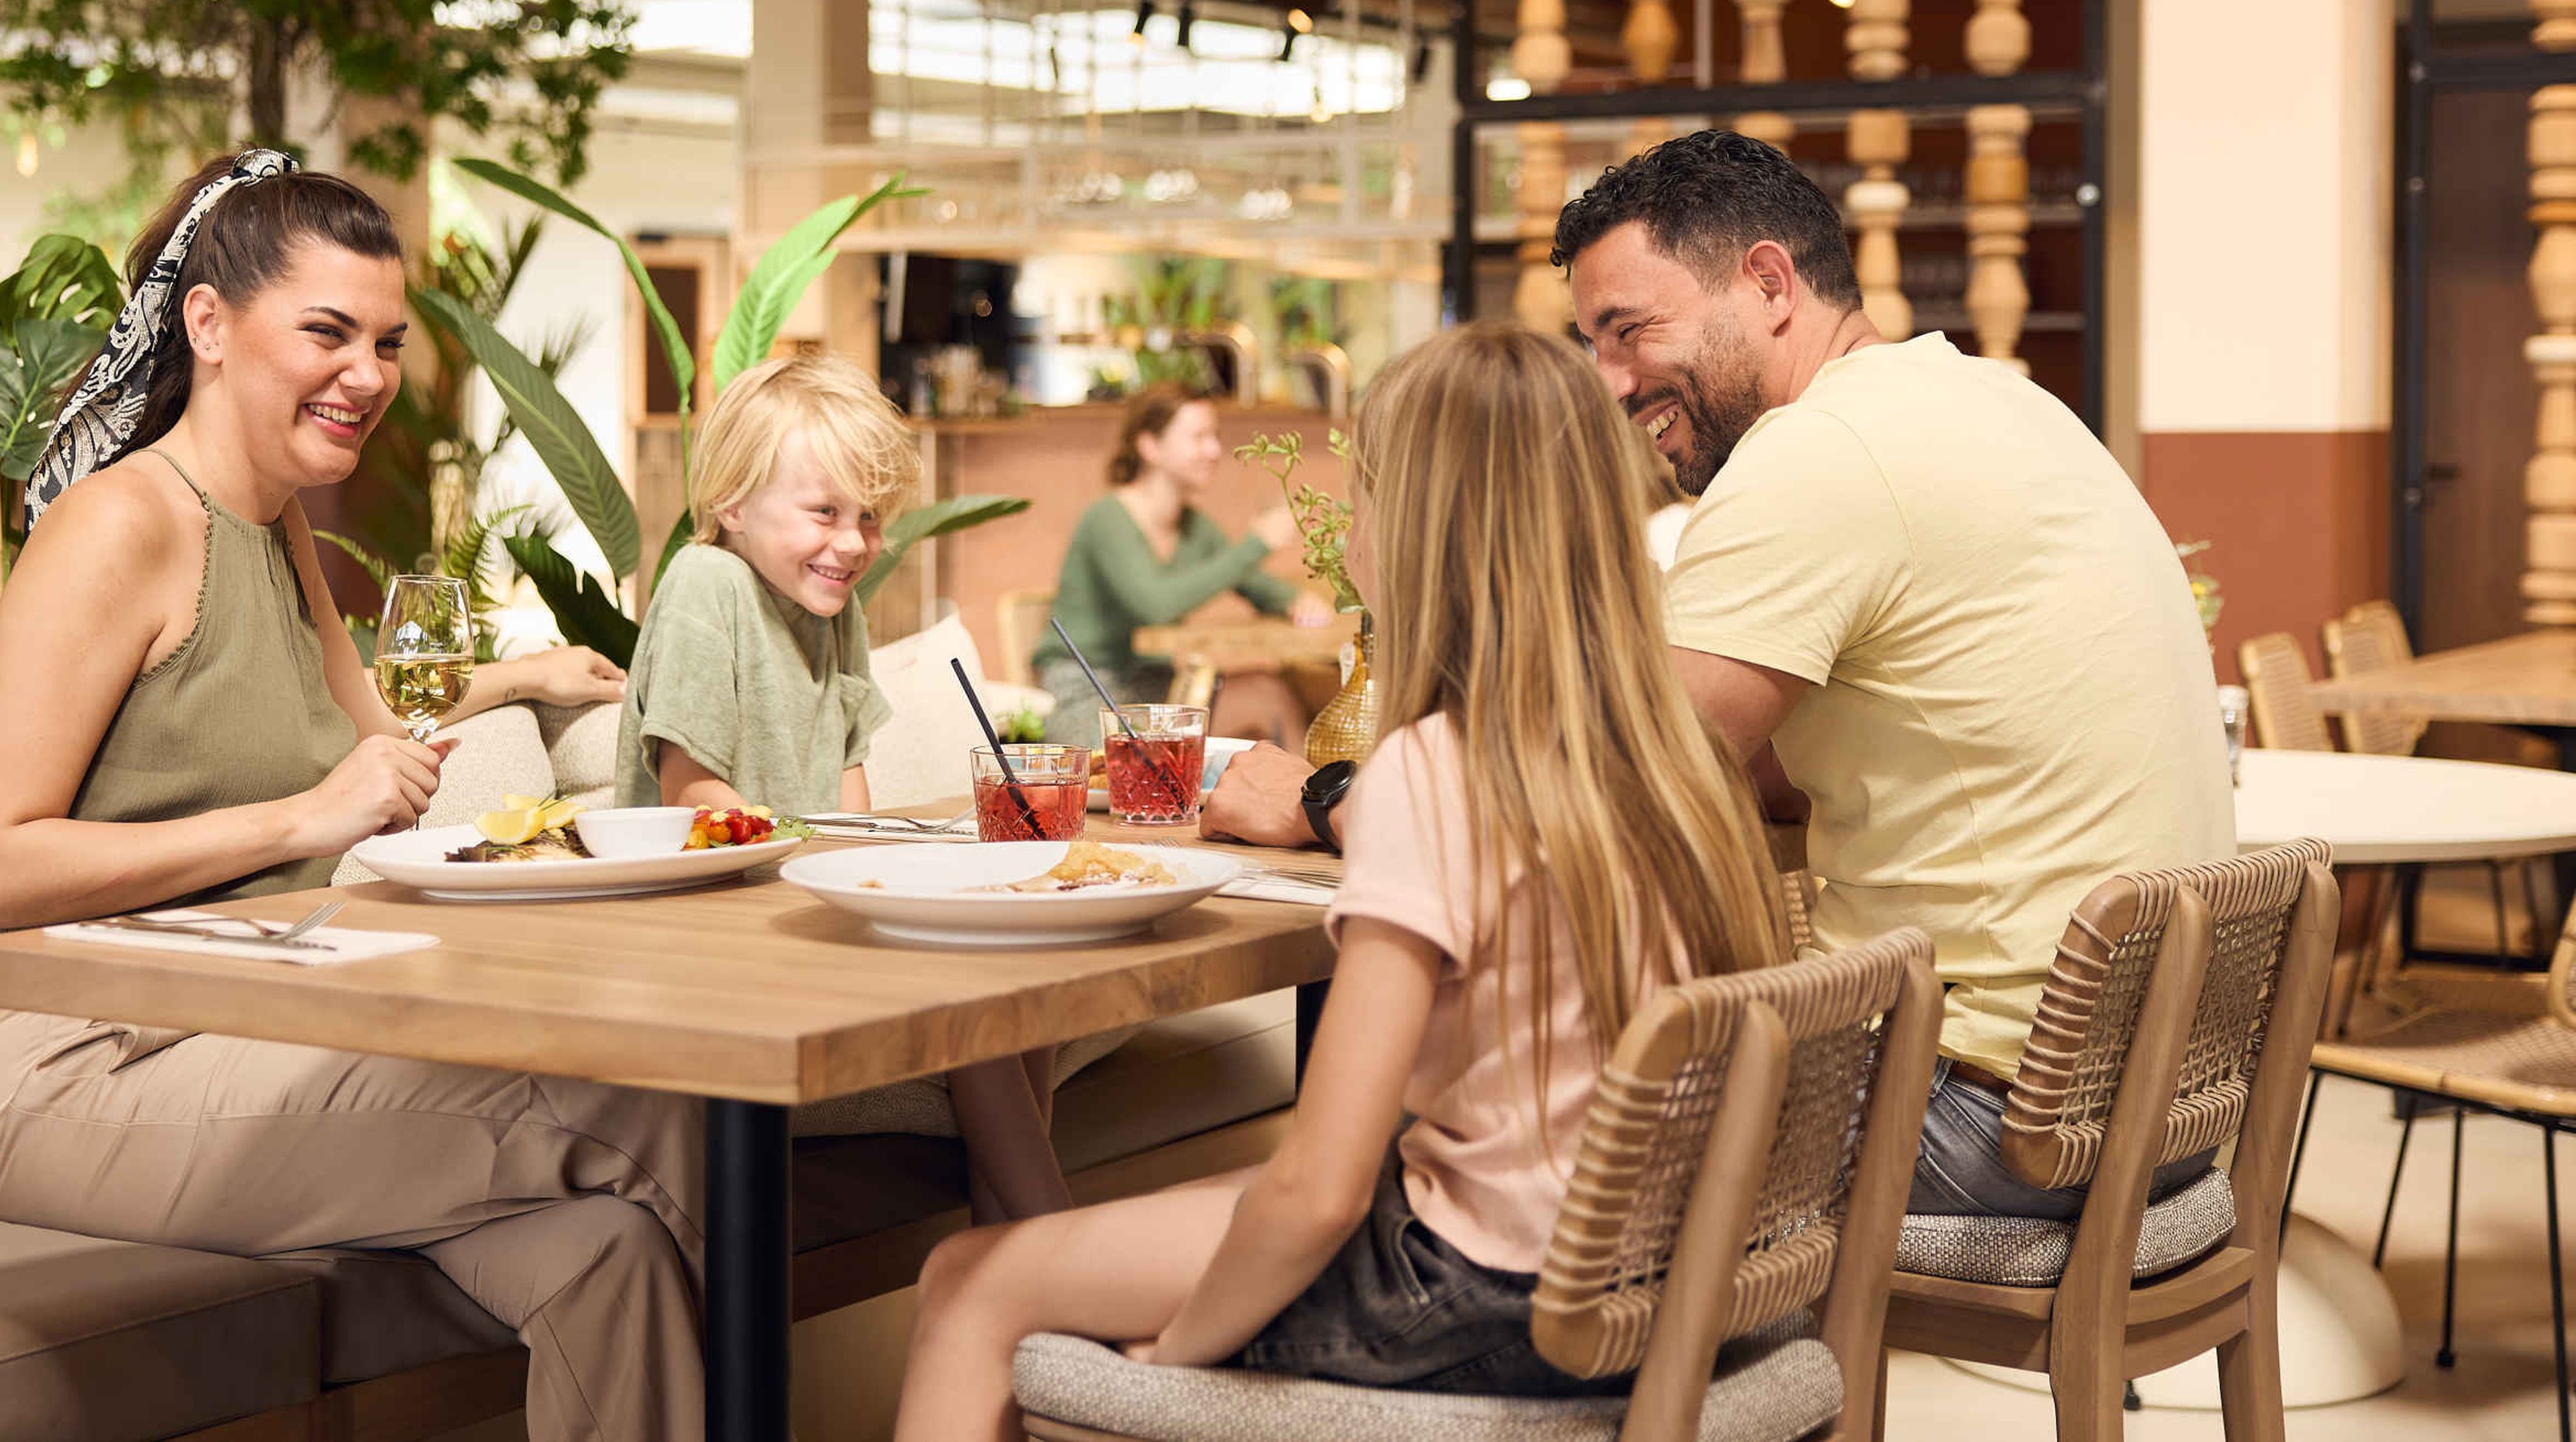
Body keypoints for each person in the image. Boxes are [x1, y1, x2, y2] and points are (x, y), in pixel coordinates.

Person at [1205, 131, 2235, 1222]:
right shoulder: (1999, 401)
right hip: (2154, 1099)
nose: (1607, 381)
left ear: (1769, 282)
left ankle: (1398, 1342)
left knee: (1507, 1124)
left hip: (1993, 1121)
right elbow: (1781, 767)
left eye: (1631, 330)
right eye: (1590, 341)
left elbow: (1580, 809)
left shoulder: (1817, 455)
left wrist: (1324, 801)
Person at [892, 325, 1792, 1438]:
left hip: (1487, 1292)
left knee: (970, 1284)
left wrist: (1182, 1356)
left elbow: (1318, 1191)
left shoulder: (1438, 770)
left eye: (1363, 494)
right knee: (1088, 1234)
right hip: (1649, 1268)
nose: (1349, 530)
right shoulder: (1680, 760)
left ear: (1415, 532)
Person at [0, 150, 700, 1442]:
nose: (368, 374)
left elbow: (365, 738)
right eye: (329, 332)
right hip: (85, 1074)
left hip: (258, 1030)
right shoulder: (120, 526)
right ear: (210, 325)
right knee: (644, 1102)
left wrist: (511, 680)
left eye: (387, 341)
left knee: (607, 1254)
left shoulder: (276, 521)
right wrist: (303, 823)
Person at [616, 350, 1072, 1223]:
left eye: (868, 517)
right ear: (731, 503)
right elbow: (691, 795)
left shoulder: (836, 612)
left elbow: (849, 794)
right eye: (825, 512)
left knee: (1022, 965)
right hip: (696, 925)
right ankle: (1050, 1230)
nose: (855, 543)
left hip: (791, 908)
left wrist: (879, 874)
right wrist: (834, 874)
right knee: (968, 979)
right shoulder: (705, 584)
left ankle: (1008, 1239)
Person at [1033, 388, 1316, 749]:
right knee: (1173, 747)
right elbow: (1156, 605)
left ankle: (1300, 803)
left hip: (1155, 688)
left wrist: (1294, 600)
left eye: (1215, 437)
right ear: (1149, 446)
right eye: (1199, 437)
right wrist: (1256, 543)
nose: (1214, 450)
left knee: (1270, 692)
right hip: (1087, 691)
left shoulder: (1193, 526)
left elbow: (1253, 584)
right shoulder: (1108, 519)